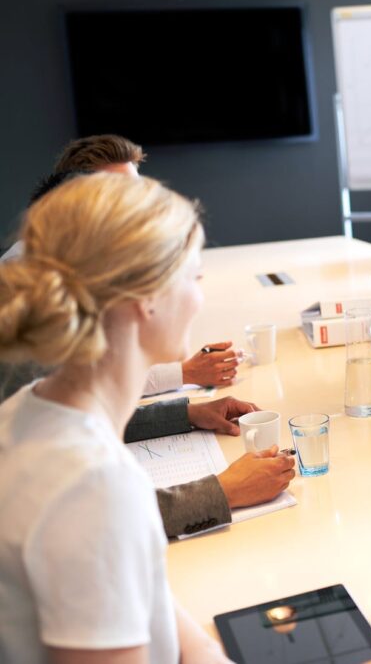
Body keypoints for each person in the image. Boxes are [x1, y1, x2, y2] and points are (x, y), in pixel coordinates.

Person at [0, 172, 230, 662]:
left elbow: (144, 594)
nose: (201, 295)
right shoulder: (95, 487)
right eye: (195, 275)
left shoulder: (23, 412)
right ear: (146, 298)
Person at [2, 134, 240, 389]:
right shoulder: (28, 282)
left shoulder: (90, 267)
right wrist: (185, 375)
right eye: (119, 196)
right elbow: (78, 394)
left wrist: (188, 408)